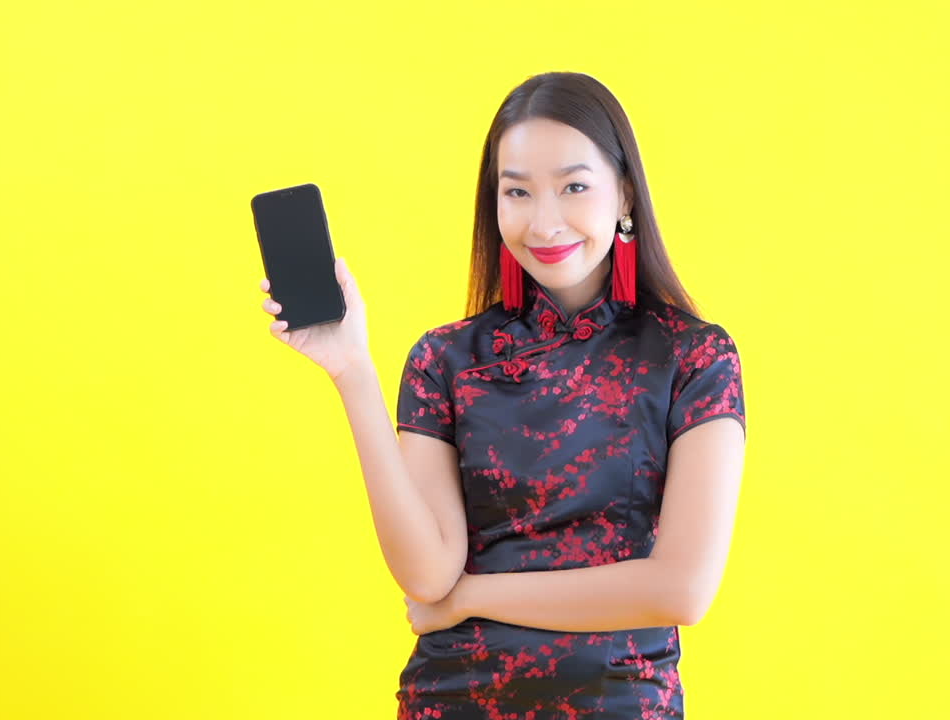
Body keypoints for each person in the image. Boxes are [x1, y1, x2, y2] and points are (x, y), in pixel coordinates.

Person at [258, 71, 746, 719]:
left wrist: (470, 598)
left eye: (573, 187)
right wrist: (352, 371)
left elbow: (680, 590)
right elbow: (428, 574)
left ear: (625, 192)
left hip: (618, 702)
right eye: (517, 192)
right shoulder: (446, 360)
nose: (544, 222)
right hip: (451, 698)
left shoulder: (693, 356)